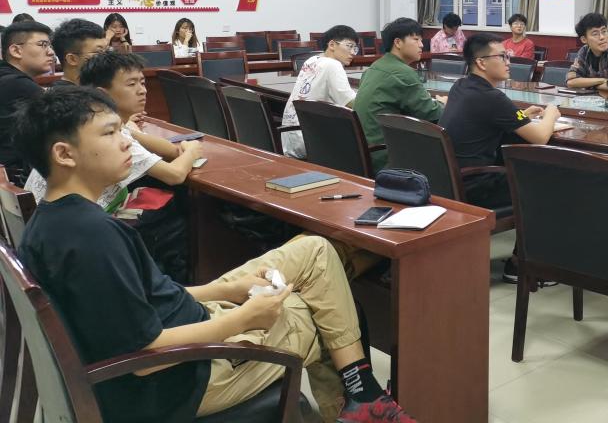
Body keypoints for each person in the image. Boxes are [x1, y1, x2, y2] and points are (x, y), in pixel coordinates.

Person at [14, 86, 417, 423]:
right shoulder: (92, 237)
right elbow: (146, 357)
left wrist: (225, 290)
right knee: (316, 310)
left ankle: (362, 400)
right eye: (109, 133)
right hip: (183, 380)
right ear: (64, 154)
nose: (127, 141)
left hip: (181, 327)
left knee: (315, 250)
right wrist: (244, 319)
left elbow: (138, 298)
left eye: (123, 129)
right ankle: (363, 398)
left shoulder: (56, 221)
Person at [25, 51, 204, 281]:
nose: (143, 90)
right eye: (131, 83)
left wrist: (130, 129)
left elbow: (163, 147)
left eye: (143, 82)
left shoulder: (91, 125)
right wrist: (192, 150)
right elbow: (174, 174)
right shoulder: (94, 233)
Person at [440, 33, 561, 284]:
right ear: (481, 62)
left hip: (450, 181)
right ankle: (521, 266)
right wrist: (551, 113)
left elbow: (500, 117)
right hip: (476, 186)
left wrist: (522, 116)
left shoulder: (461, 86)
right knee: (547, 182)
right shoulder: (492, 97)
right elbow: (540, 136)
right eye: (503, 57)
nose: (509, 62)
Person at [353, 18, 446, 173]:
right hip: (386, 156)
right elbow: (432, 114)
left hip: (365, 153)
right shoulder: (403, 72)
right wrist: (443, 103)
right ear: (398, 42)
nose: (421, 45)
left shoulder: (375, 66)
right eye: (416, 39)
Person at [280, 25, 359, 159]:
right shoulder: (333, 65)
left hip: (291, 136)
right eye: (349, 46)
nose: (353, 52)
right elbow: (352, 103)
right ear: (332, 45)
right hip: (311, 140)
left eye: (355, 48)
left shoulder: (311, 60)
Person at [0, 20, 53, 185]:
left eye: (50, 45)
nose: (51, 52)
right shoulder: (18, 85)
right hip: (15, 180)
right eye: (42, 45)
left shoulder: (7, 77)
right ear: (16, 50)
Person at [566, 12, 608, 95]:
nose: (602, 37)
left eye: (604, 31)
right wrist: (602, 80)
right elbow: (570, 81)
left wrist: (586, 84)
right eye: (595, 34)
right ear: (584, 39)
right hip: (592, 99)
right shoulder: (584, 51)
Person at [51, 18, 109, 86]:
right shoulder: (62, 92)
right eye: (99, 52)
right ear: (72, 59)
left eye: (108, 50)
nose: (108, 57)